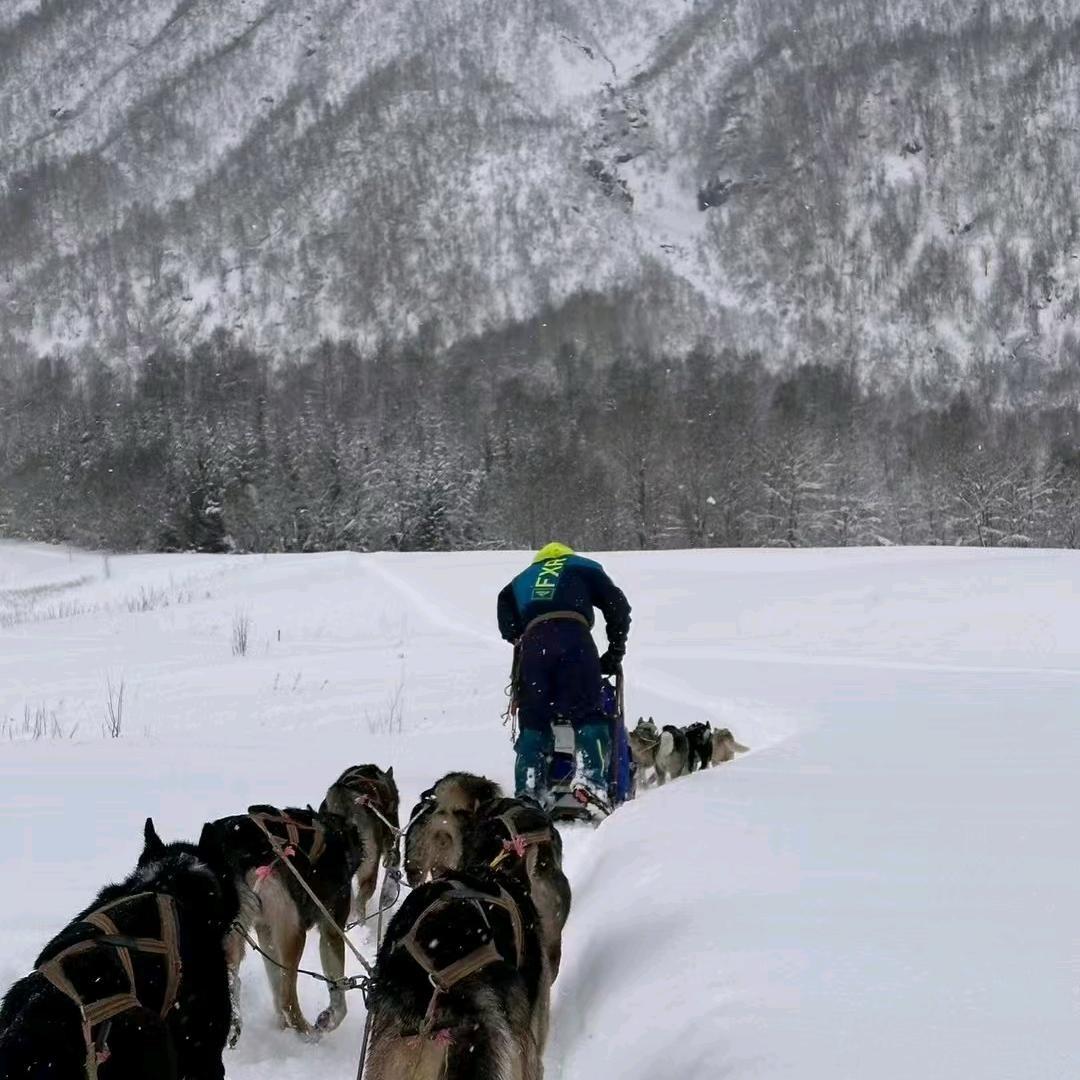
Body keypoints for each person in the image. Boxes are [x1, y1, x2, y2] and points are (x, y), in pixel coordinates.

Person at [497, 542, 631, 805]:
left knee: (533, 721)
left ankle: (529, 791)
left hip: (534, 646)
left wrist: (522, 637)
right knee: (588, 713)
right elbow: (618, 607)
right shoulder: (584, 567)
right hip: (574, 639)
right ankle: (591, 782)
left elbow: (506, 621)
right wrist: (615, 652)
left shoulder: (521, 579)